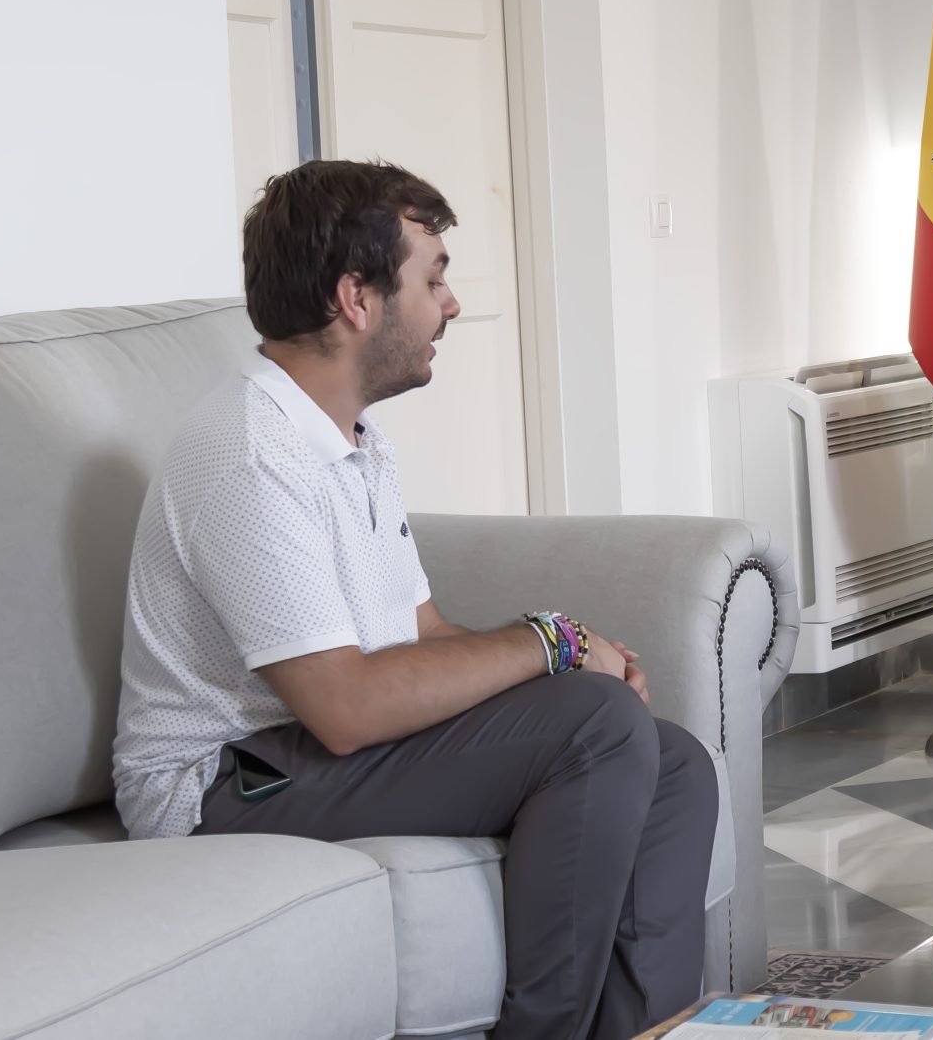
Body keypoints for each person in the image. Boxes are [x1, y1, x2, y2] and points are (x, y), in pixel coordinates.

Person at [111, 159, 714, 1039]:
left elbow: (422, 634)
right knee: (595, 723)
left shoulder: (355, 442)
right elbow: (347, 706)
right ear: (356, 297)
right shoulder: (250, 454)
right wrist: (552, 643)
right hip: (219, 784)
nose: (451, 303)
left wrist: (556, 672)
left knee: (675, 766)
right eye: (432, 278)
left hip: (302, 750)